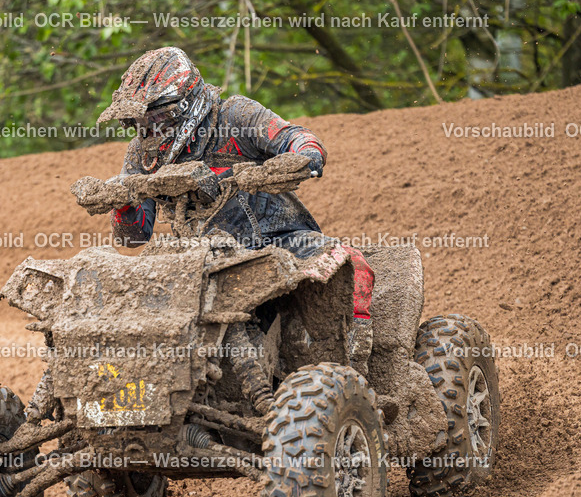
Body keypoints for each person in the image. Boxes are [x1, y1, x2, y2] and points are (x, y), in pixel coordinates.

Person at [91, 46, 374, 376]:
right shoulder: (142, 154)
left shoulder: (234, 116)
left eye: (154, 119)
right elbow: (134, 237)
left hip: (279, 241)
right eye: (137, 122)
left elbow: (296, 137)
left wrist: (300, 159)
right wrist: (122, 201)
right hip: (199, 259)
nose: (147, 129)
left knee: (352, 264)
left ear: (184, 105)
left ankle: (359, 369)